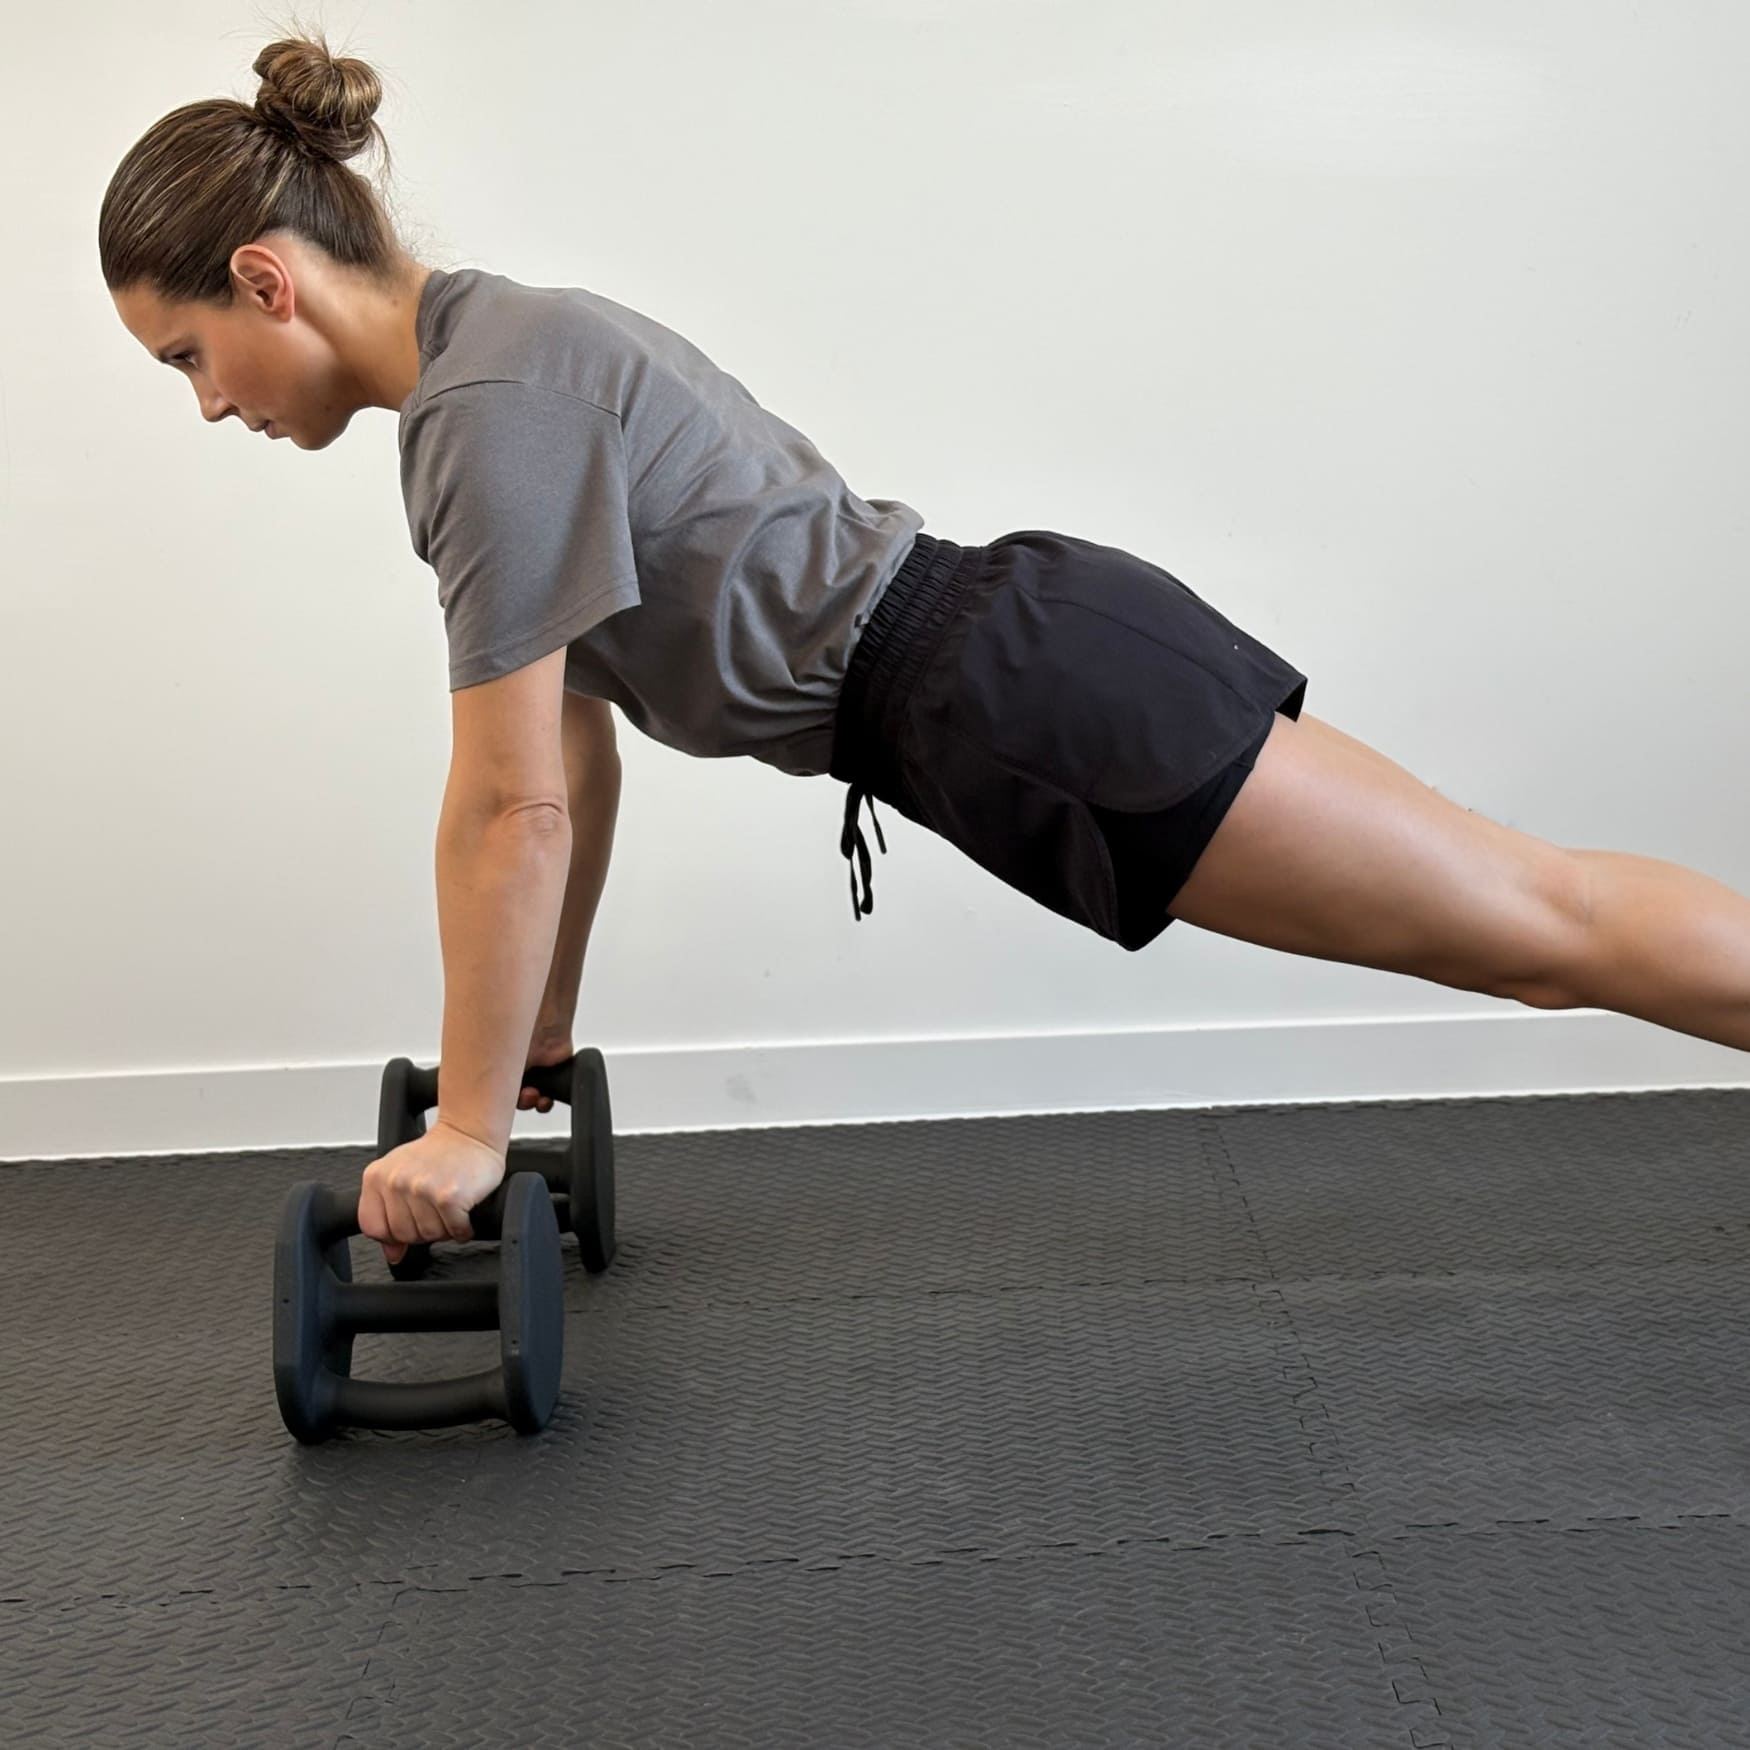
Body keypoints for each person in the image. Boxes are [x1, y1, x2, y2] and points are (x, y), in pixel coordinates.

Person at [105, 31, 1750, 1264]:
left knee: (1541, 929)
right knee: (1540, 911)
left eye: (192, 354)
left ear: (268, 279)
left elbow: (505, 807)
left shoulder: (484, 415)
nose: (209, 405)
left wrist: (469, 1128)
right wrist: (532, 1037)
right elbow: (575, 763)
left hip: (1024, 692)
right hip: (1020, 658)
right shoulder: (495, 358)